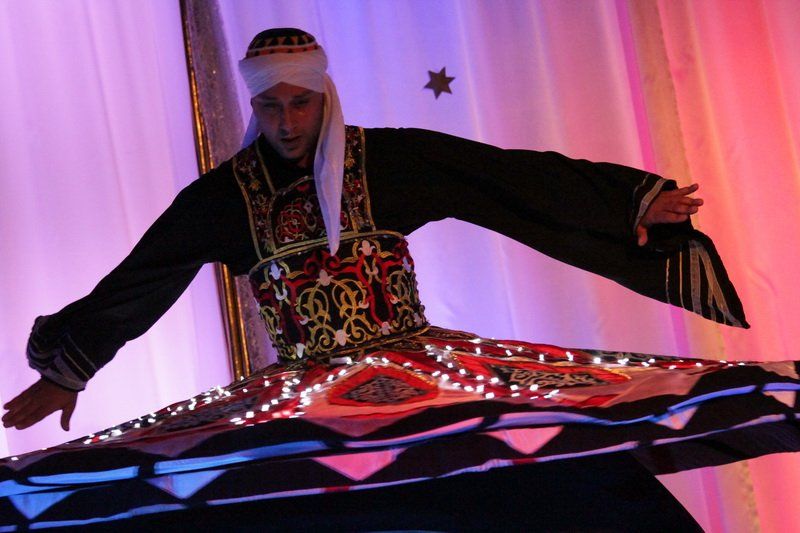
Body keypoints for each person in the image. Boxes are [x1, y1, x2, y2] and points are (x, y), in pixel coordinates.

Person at [0, 27, 796, 529]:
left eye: (300, 104)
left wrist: (630, 201)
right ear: (254, 105)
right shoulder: (224, 198)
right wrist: (70, 365)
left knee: (566, 470)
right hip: (306, 395)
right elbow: (146, 275)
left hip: (423, 369)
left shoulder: (387, 160)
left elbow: (503, 179)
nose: (287, 122)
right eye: (271, 107)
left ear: (324, 94)